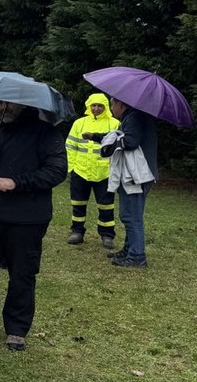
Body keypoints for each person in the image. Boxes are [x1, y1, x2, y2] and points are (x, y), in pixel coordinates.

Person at [0, 100, 67, 351]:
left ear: (25, 104)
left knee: (22, 273)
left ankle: (16, 330)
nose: (3, 108)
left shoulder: (45, 132)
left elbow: (57, 171)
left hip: (27, 217)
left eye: (10, 103)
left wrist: (17, 182)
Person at [100, 97, 157, 268]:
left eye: (112, 105)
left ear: (121, 104)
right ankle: (129, 249)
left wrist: (112, 142)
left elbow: (130, 141)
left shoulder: (133, 117)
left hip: (137, 175)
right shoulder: (134, 116)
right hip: (137, 174)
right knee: (129, 215)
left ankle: (137, 255)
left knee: (132, 216)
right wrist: (98, 137)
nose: (111, 109)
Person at [65, 93, 120, 248]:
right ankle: (77, 232)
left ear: (105, 107)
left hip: (105, 173)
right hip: (80, 171)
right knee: (78, 203)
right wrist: (72, 168)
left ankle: (107, 235)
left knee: (106, 205)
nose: (96, 108)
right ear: (88, 106)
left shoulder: (114, 124)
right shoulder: (79, 123)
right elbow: (70, 146)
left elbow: (117, 150)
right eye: (93, 105)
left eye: (100, 105)